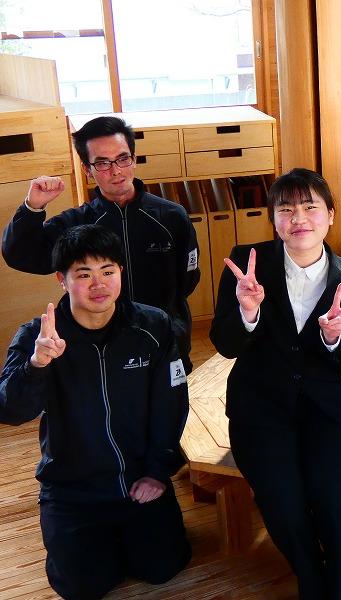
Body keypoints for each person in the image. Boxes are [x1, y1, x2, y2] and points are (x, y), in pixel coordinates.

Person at [0, 224, 191, 600]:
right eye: (84, 274)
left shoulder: (152, 325)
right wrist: (38, 364)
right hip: (72, 490)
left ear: (121, 271)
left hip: (139, 480)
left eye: (108, 271)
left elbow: (171, 403)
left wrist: (157, 471)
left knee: (163, 567)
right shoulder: (38, 336)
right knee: (81, 587)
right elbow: (9, 409)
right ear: (62, 279)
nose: (99, 284)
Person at [209, 168, 341, 600]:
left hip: (332, 408)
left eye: (310, 207)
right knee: (280, 497)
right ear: (274, 219)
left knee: (332, 494)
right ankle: (309, 576)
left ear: (330, 215)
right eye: (286, 209)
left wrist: (332, 338)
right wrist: (247, 312)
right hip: (261, 408)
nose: (298, 218)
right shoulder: (247, 265)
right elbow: (225, 344)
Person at [2, 116, 200, 371]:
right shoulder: (76, 223)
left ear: (133, 159)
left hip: (165, 341)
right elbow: (20, 255)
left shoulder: (172, 216)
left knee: (171, 397)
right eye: (102, 163)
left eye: (122, 158)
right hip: (101, 352)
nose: (116, 171)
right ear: (88, 169)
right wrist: (33, 207)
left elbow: (188, 279)